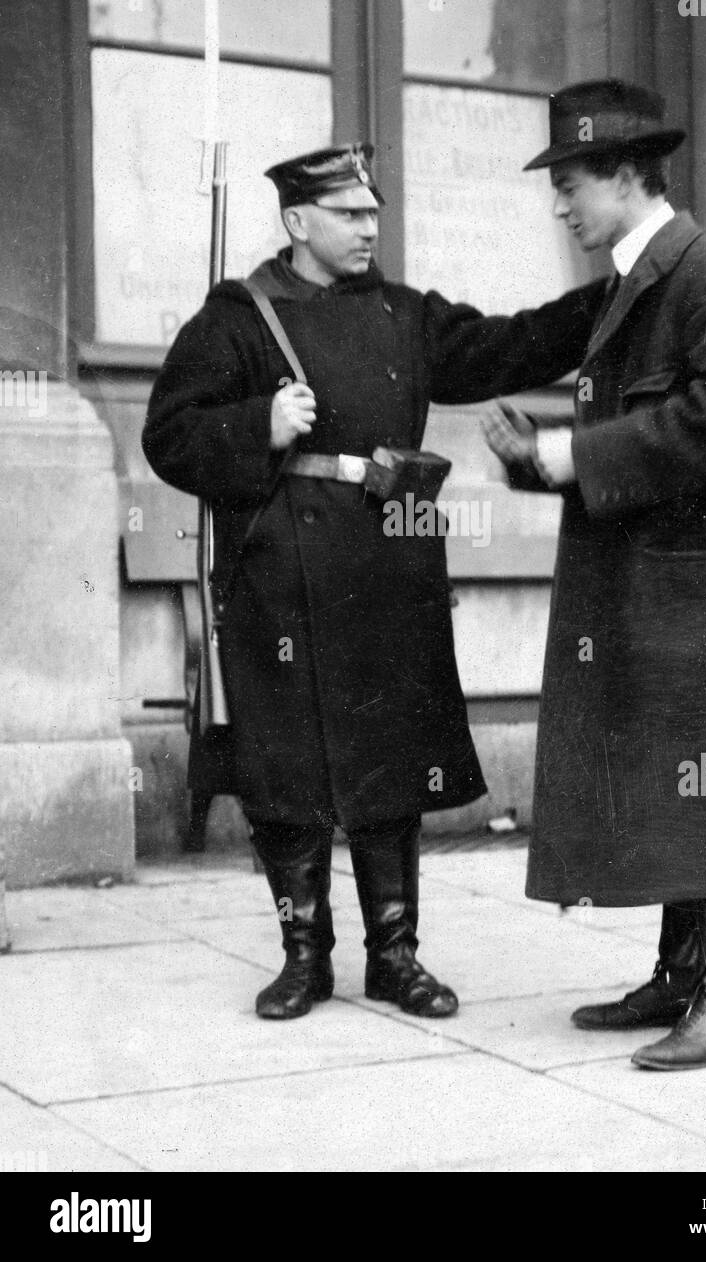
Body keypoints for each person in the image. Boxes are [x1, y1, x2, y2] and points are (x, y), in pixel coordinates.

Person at [142, 143, 599, 1021]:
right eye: (350, 215)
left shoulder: (404, 315)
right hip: (281, 575)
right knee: (288, 775)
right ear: (297, 222)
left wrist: (609, 295)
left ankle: (395, 958)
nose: (369, 228)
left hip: (391, 565)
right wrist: (257, 423)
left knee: (392, 761)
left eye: (373, 213)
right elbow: (169, 437)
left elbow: (509, 347)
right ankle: (303, 958)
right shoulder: (238, 318)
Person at [484, 78, 706, 1071]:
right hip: (667, 581)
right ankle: (681, 975)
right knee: (676, 775)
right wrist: (539, 459)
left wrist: (568, 457)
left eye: (573, 183)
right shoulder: (643, 280)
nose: (559, 205)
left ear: (628, 176)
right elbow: (644, 440)